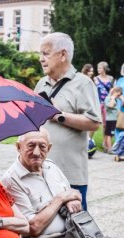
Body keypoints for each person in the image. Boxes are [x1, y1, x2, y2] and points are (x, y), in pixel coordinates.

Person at [34, 32, 101, 211]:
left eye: (45, 53)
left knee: (76, 227)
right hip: (40, 171)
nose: (41, 59)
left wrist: (59, 115)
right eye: (40, 54)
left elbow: (94, 122)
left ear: (62, 55)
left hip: (70, 175)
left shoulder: (83, 83)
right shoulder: (41, 84)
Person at [95, 62, 114, 150]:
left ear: (105, 69)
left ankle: (105, 142)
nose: (98, 70)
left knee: (106, 124)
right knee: (96, 122)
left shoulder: (110, 78)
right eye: (98, 68)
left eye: (100, 68)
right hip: (98, 103)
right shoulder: (95, 79)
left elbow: (112, 90)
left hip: (107, 104)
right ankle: (89, 141)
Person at [104, 86, 122, 152]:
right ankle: (109, 148)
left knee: (108, 133)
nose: (118, 96)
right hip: (111, 119)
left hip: (114, 119)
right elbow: (111, 106)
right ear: (114, 92)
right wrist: (113, 98)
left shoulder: (115, 99)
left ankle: (106, 147)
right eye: (118, 94)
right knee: (110, 134)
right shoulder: (109, 98)